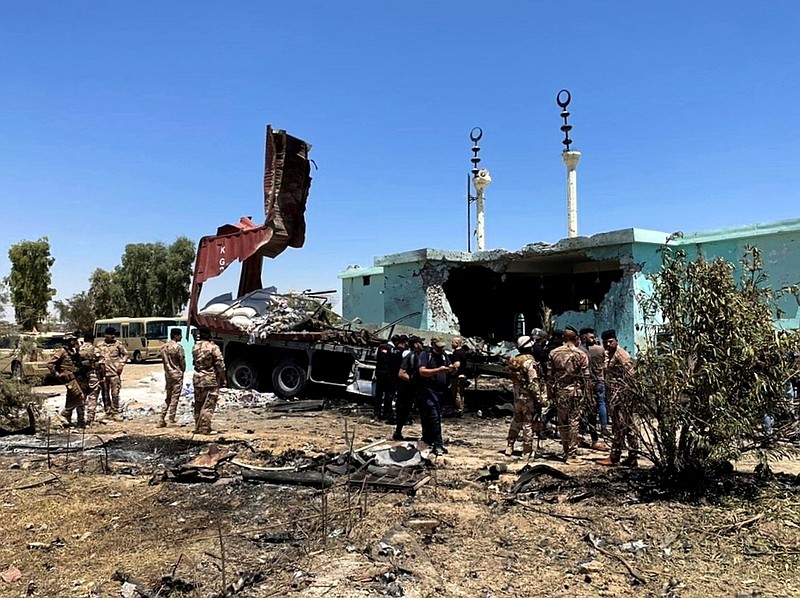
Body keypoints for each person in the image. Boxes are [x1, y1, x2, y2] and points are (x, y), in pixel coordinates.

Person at [547, 328, 591, 462]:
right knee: (574, 422)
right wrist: (588, 395)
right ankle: (572, 453)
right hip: (576, 391)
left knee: (563, 422)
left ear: (563, 338)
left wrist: (550, 393)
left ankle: (566, 450)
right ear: (576, 338)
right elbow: (586, 377)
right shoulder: (581, 354)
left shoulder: (554, 353)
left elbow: (549, 376)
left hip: (561, 392)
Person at [597, 330, 639, 467]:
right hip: (615, 396)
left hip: (622, 397)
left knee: (620, 426)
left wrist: (626, 393)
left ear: (616, 341)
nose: (608, 345)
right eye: (605, 342)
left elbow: (631, 375)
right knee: (627, 426)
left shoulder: (621, 355)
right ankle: (632, 456)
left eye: (610, 342)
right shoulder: (611, 354)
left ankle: (615, 456)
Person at [505, 335, 544, 459]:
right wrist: (539, 399)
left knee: (516, 420)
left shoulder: (515, 360)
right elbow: (533, 383)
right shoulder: (529, 362)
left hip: (517, 395)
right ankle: (526, 451)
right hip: (528, 396)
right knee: (528, 422)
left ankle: (509, 445)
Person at [417, 337, 455, 456]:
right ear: (432, 344)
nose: (440, 348)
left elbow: (449, 369)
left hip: (440, 391)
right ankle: (438, 443)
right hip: (427, 389)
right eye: (438, 346)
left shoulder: (443, 355)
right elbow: (422, 371)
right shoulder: (425, 354)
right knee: (434, 416)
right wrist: (438, 370)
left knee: (429, 416)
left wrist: (452, 369)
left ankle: (427, 440)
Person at [579, 327, 609, 450]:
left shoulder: (580, 351)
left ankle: (587, 430)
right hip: (600, 379)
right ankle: (604, 427)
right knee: (601, 404)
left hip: (588, 382)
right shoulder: (600, 349)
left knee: (589, 408)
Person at [192, 328, 226, 434]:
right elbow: (219, 364)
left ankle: (197, 427)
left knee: (198, 403)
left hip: (197, 378)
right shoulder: (213, 347)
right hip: (210, 379)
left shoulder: (195, 347)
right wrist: (223, 378)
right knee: (208, 405)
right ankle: (205, 428)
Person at [47, 334, 86, 427]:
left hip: (76, 377)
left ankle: (78, 421)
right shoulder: (62, 351)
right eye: (73, 340)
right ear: (68, 341)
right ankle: (64, 415)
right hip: (69, 379)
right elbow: (50, 364)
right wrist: (57, 374)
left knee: (71, 398)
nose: (75, 342)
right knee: (79, 396)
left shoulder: (73, 351)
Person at [394, 335, 423, 441]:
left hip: (415, 389)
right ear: (416, 344)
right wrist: (413, 381)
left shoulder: (421, 356)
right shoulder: (410, 356)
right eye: (420, 342)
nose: (422, 345)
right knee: (403, 410)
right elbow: (401, 373)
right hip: (406, 389)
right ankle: (398, 431)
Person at [96, 326, 128, 421]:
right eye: (111, 334)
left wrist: (121, 364)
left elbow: (125, 354)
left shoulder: (118, 344)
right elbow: (96, 357)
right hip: (103, 374)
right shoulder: (100, 345)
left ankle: (115, 412)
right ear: (106, 335)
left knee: (115, 393)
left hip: (114, 373)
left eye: (114, 334)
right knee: (105, 394)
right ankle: (107, 411)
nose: (113, 336)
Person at [158, 328, 186, 428]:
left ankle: (161, 418)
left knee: (168, 397)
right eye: (180, 335)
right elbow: (182, 360)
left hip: (168, 374)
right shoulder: (178, 347)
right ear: (176, 336)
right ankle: (171, 419)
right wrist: (182, 370)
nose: (181, 337)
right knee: (175, 397)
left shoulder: (163, 347)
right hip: (177, 374)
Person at [79, 332, 102, 425]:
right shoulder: (95, 349)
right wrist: (102, 376)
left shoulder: (78, 349)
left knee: (81, 398)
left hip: (81, 376)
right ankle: (90, 419)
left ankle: (80, 419)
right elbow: (101, 363)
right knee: (92, 397)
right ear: (92, 340)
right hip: (93, 375)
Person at [374, 336, 398, 422]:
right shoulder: (393, 349)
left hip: (379, 373)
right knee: (388, 394)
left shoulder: (380, 346)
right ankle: (387, 413)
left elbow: (375, 357)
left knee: (378, 394)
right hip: (388, 375)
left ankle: (377, 414)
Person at [449, 336, 470, 416]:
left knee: (456, 393)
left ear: (457, 343)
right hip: (463, 375)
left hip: (457, 376)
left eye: (453, 342)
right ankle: (462, 408)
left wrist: (451, 370)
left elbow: (457, 364)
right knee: (461, 392)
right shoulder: (463, 352)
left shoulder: (456, 353)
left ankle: (459, 410)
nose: (451, 344)